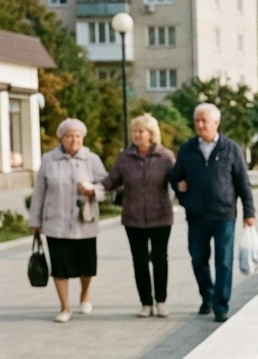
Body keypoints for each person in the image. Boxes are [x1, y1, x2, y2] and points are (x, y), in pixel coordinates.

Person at [83, 114, 176, 318]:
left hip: (160, 216)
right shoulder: (125, 157)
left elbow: (178, 180)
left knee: (160, 259)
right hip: (133, 218)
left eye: (141, 131)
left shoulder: (165, 157)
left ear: (151, 134)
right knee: (139, 261)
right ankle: (145, 303)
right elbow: (111, 180)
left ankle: (161, 301)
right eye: (134, 131)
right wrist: (94, 188)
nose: (137, 135)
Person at [170, 103, 255, 323]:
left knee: (224, 262)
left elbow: (243, 183)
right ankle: (206, 296)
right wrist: (184, 197)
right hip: (196, 216)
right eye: (197, 120)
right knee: (198, 259)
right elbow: (175, 177)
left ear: (216, 123)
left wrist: (249, 212)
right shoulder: (187, 149)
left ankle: (220, 305)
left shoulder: (231, 148)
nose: (199, 124)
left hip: (224, 215)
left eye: (204, 120)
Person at [29, 118, 107, 323]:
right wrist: (34, 221)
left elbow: (106, 186)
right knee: (60, 266)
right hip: (56, 223)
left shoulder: (92, 159)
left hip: (84, 223)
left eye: (78, 136)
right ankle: (65, 307)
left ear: (83, 138)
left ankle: (85, 294)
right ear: (61, 138)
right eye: (69, 136)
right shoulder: (49, 160)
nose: (74, 140)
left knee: (86, 266)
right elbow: (39, 192)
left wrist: (93, 190)